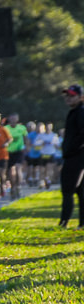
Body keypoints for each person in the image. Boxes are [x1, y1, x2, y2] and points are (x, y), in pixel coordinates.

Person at [58, 85, 84, 228]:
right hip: (76, 156)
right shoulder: (75, 112)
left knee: (68, 190)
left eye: (72, 96)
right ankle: (82, 223)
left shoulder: (80, 112)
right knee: (80, 191)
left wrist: (72, 148)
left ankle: (64, 222)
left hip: (76, 157)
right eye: (67, 96)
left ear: (81, 97)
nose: (68, 98)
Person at [5, 113, 28, 199]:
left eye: (15, 119)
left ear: (17, 119)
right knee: (11, 171)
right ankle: (13, 187)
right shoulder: (6, 128)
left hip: (19, 151)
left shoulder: (22, 128)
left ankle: (18, 186)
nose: (13, 120)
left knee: (18, 169)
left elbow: (26, 138)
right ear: (9, 119)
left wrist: (26, 146)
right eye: (12, 119)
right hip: (9, 152)